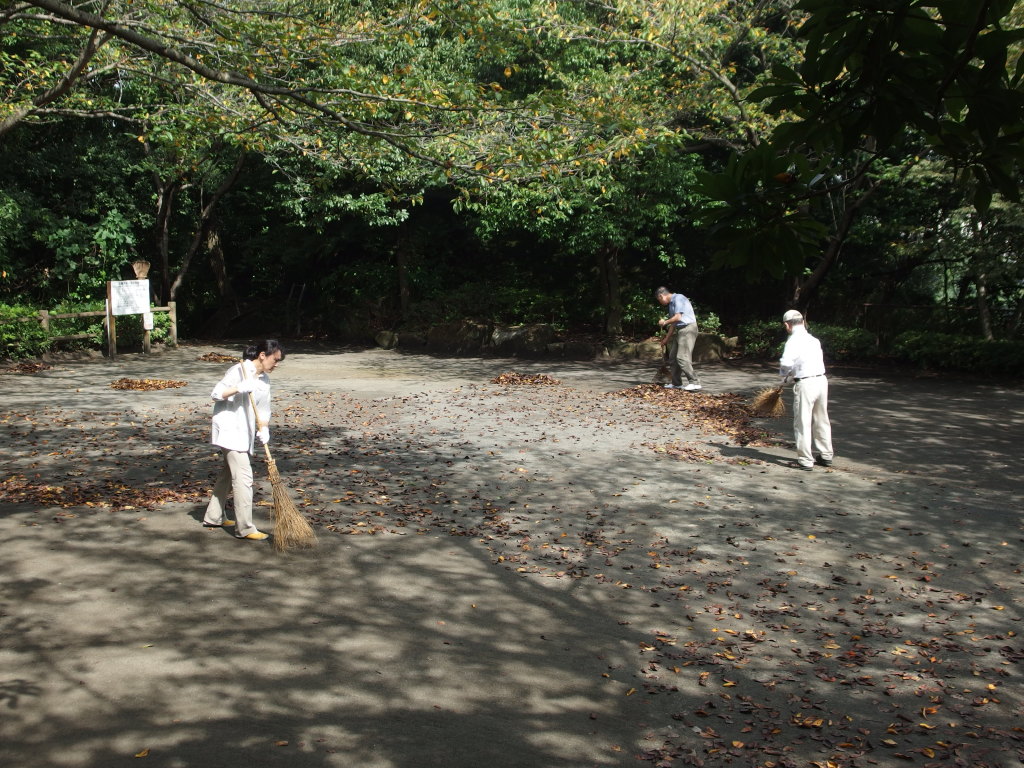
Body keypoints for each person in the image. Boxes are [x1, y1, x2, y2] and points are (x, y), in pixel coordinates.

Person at [201, 339, 284, 540]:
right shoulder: (239, 371)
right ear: (262, 355)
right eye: (275, 359)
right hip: (229, 430)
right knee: (244, 477)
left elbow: (263, 409)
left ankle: (214, 516)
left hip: (244, 432)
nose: (277, 364)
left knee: (228, 473)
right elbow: (216, 394)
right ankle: (244, 528)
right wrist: (239, 388)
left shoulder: (264, 380)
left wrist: (264, 428)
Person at [779, 310, 833, 471]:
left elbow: (786, 364)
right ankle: (826, 455)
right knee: (821, 419)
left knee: (803, 422)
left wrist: (783, 377)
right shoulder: (813, 340)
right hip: (821, 380)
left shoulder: (792, 341)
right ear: (803, 322)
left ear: (787, 325)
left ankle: (805, 460)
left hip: (806, 384)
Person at [655, 286, 702, 391]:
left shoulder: (678, 298)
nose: (660, 302)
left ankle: (695, 382)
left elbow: (678, 317)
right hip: (680, 330)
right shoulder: (671, 304)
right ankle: (676, 384)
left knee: (682, 357)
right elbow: (674, 323)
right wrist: (666, 339)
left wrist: (664, 322)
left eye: (659, 300)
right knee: (672, 357)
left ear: (661, 296)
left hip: (688, 328)